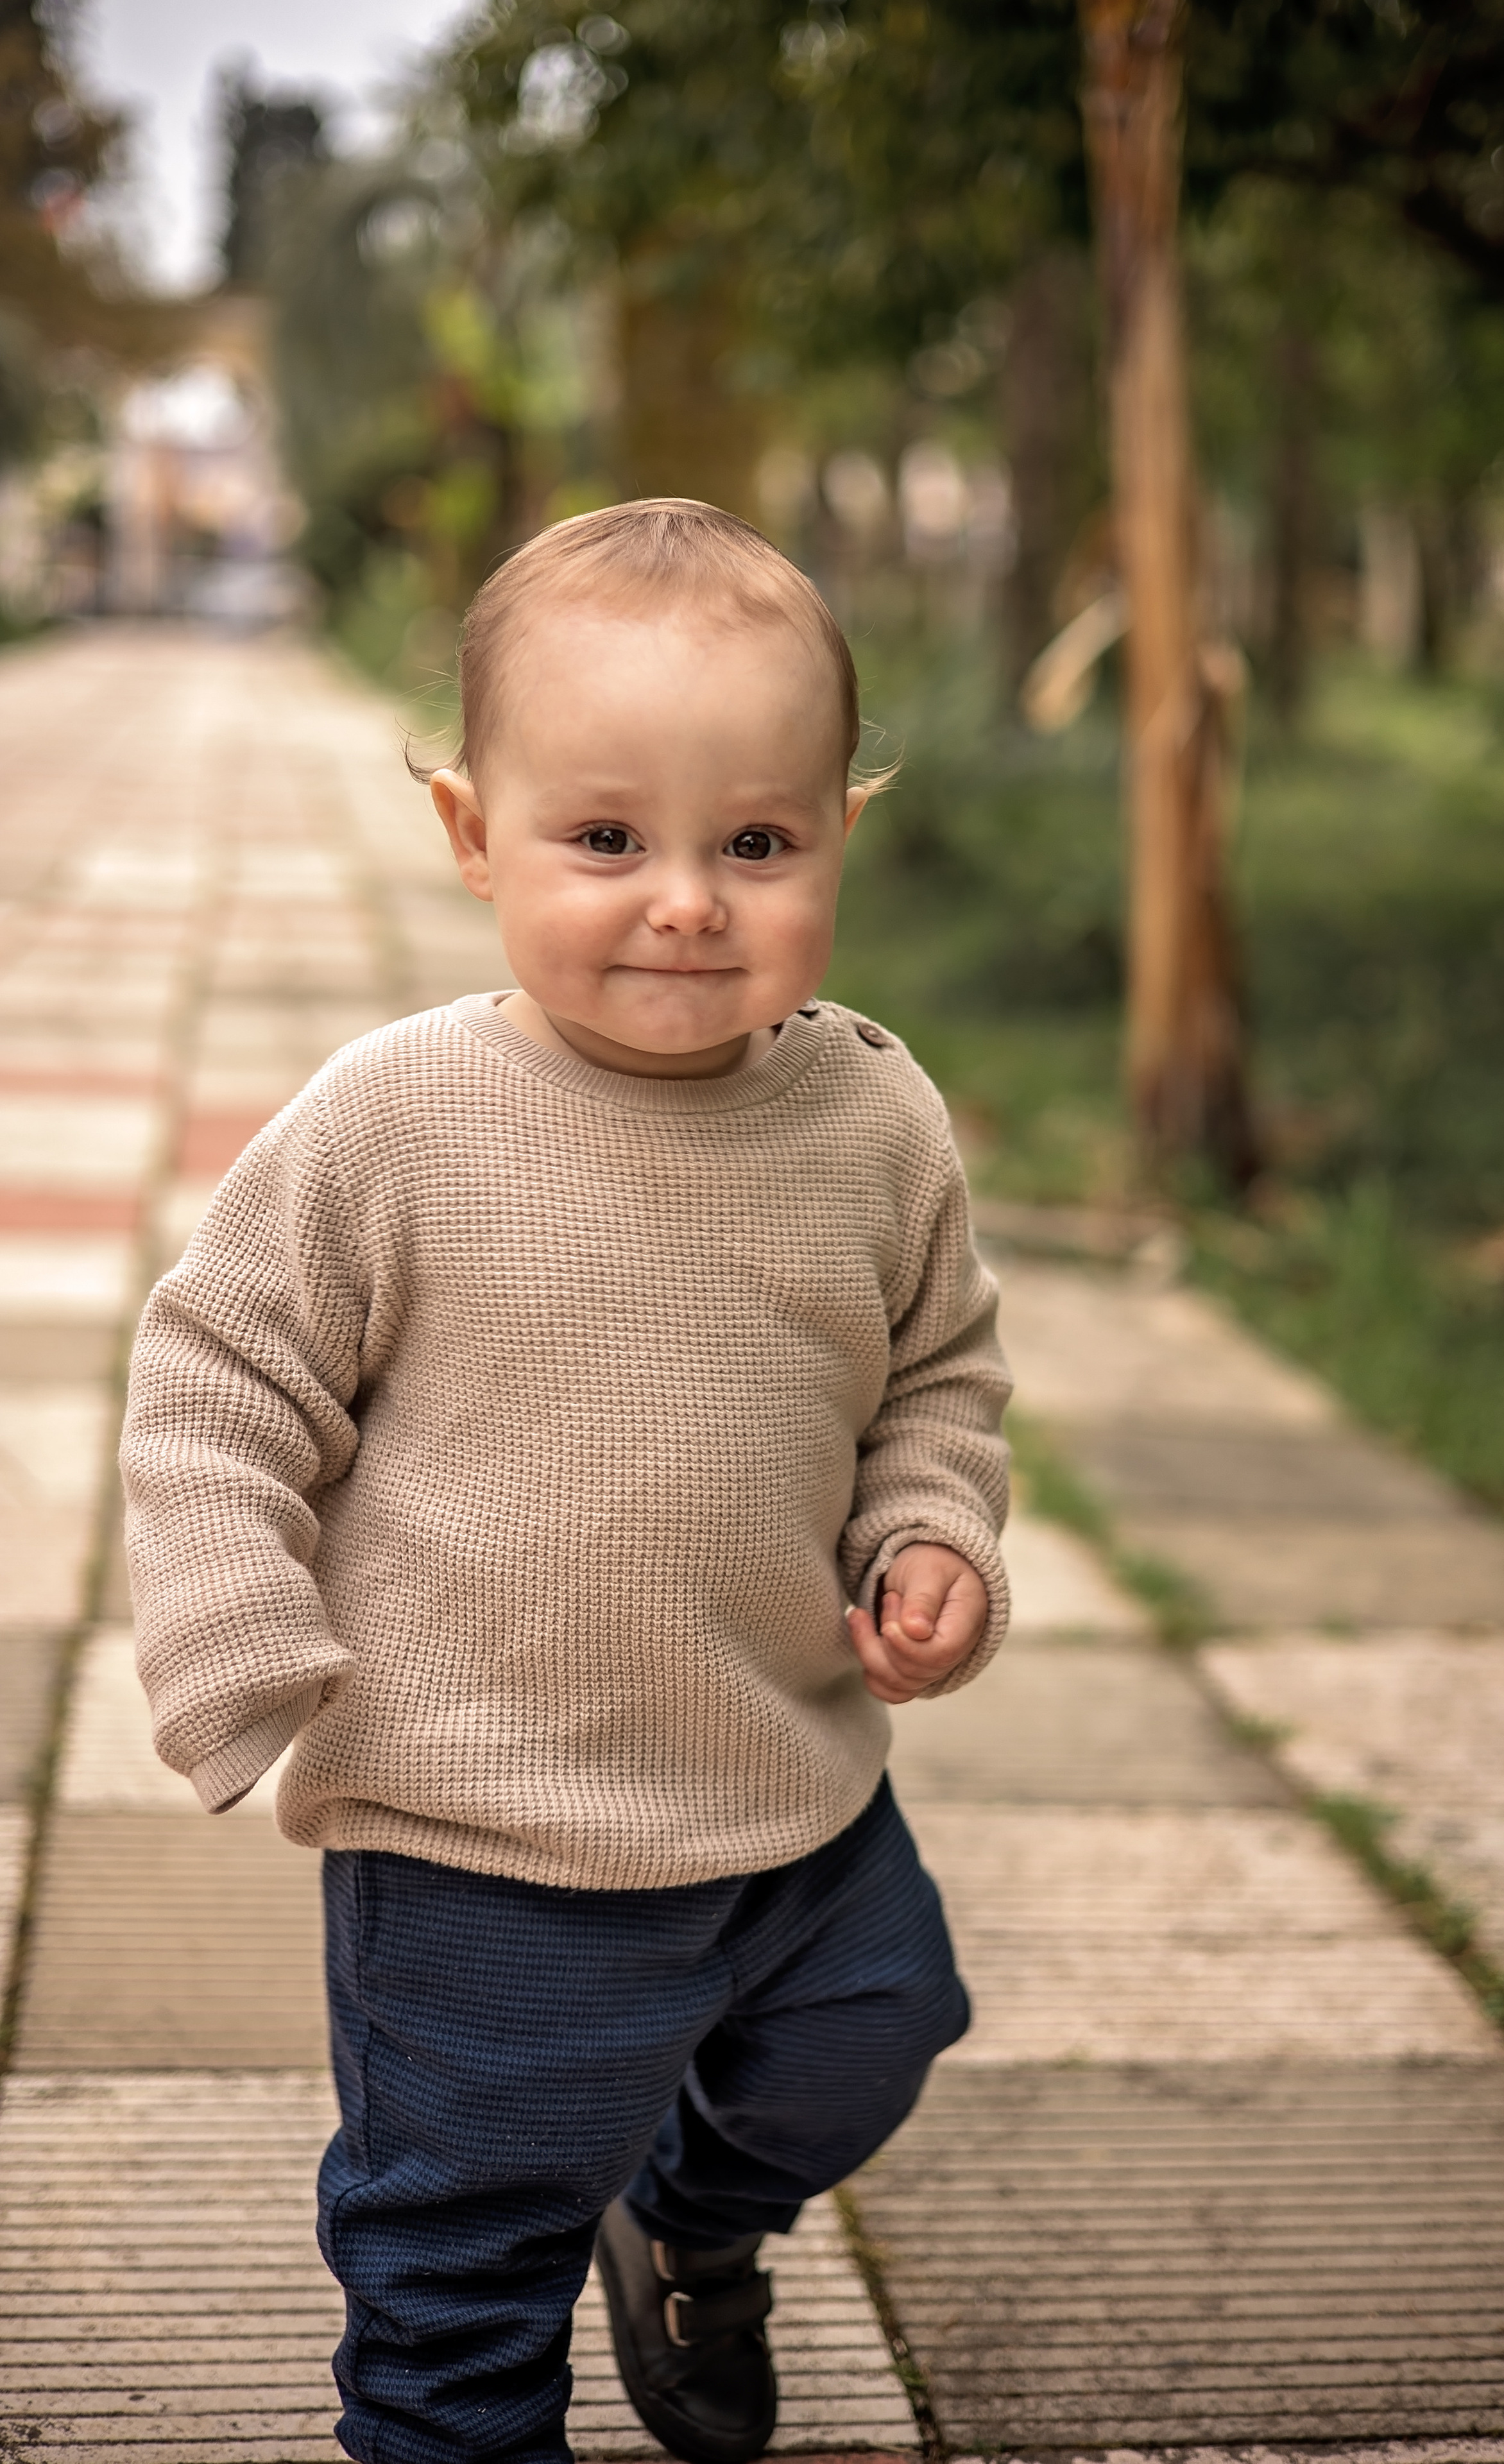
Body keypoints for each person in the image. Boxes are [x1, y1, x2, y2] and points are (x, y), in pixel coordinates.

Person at [120, 499, 1011, 2464]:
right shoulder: (398, 1123)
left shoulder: (871, 1115)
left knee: (875, 2033)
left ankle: (689, 2219)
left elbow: (934, 1371)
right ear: (472, 832)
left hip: (789, 1786)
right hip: (486, 1832)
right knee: (463, 2264)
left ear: (838, 834)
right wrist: (237, 1623)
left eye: (755, 845)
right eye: (606, 839)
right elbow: (219, 1376)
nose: (686, 902)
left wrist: (932, 1524)